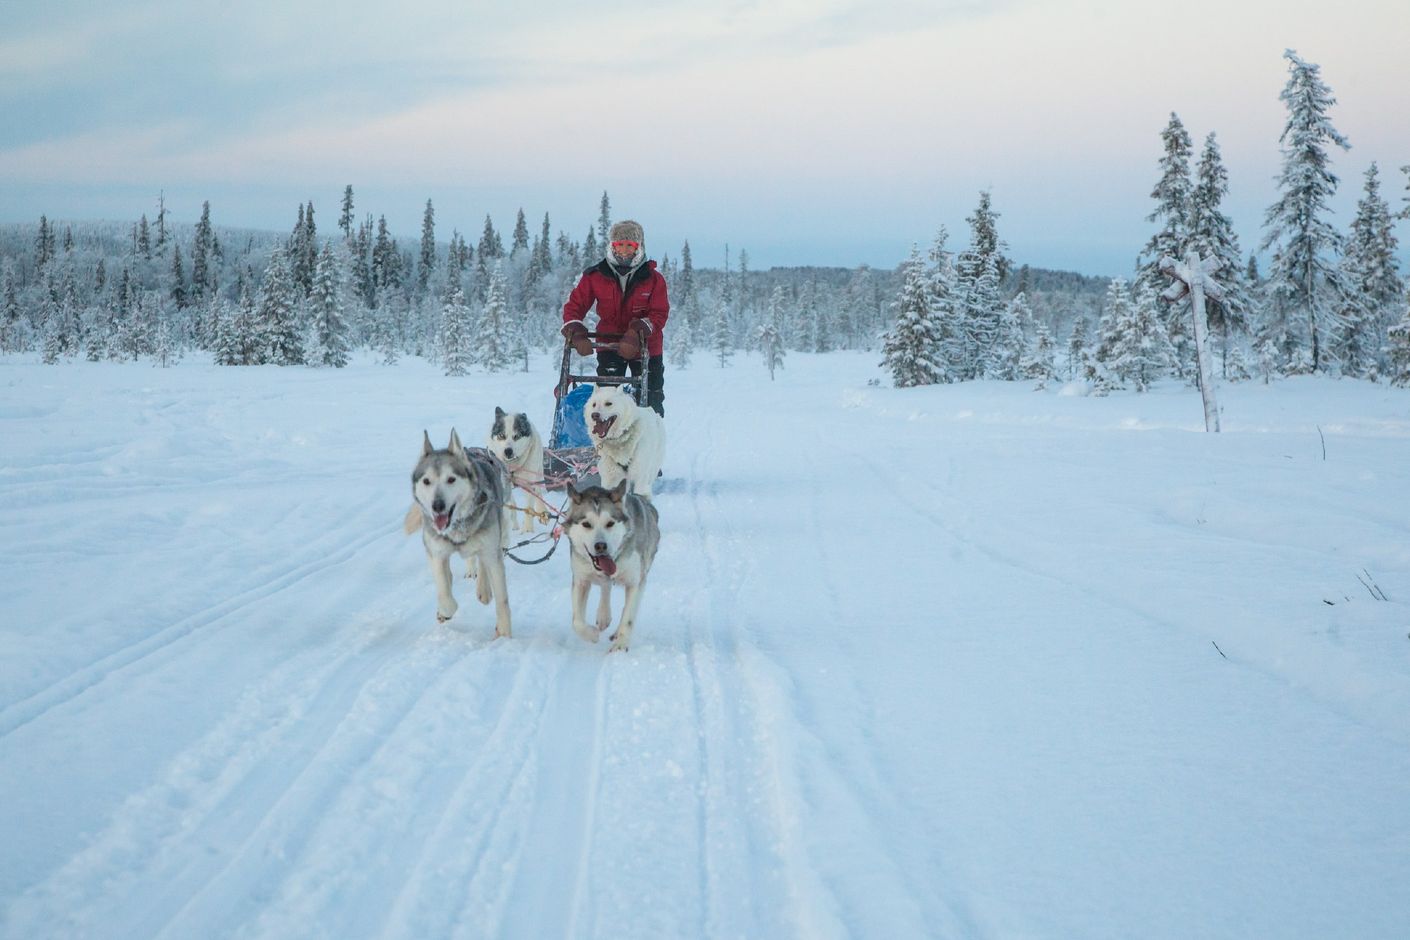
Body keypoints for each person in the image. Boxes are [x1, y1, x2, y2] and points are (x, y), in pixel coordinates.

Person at [561, 219, 669, 417]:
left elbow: (659, 314)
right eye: (620, 245)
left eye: (630, 245)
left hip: (647, 347)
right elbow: (575, 306)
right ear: (613, 246)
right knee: (607, 401)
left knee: (650, 403)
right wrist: (575, 330)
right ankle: (608, 443)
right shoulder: (595, 275)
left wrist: (637, 332)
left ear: (639, 247)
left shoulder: (654, 279)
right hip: (610, 344)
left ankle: (649, 443)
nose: (624, 250)